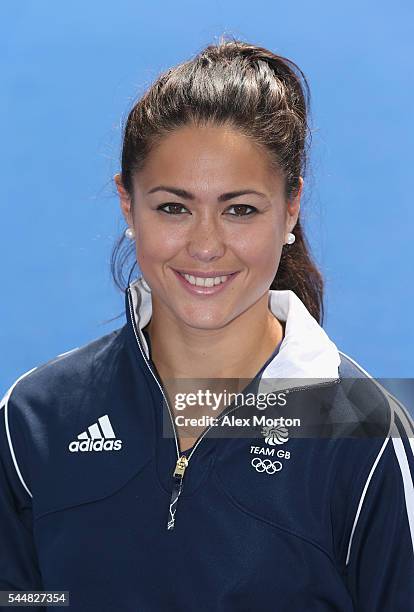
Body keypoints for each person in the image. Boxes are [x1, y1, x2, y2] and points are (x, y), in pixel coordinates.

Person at [1, 36, 413, 612]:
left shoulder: (360, 433)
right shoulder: (34, 420)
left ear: (290, 207)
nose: (205, 245)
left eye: (240, 209)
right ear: (128, 204)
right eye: (174, 206)